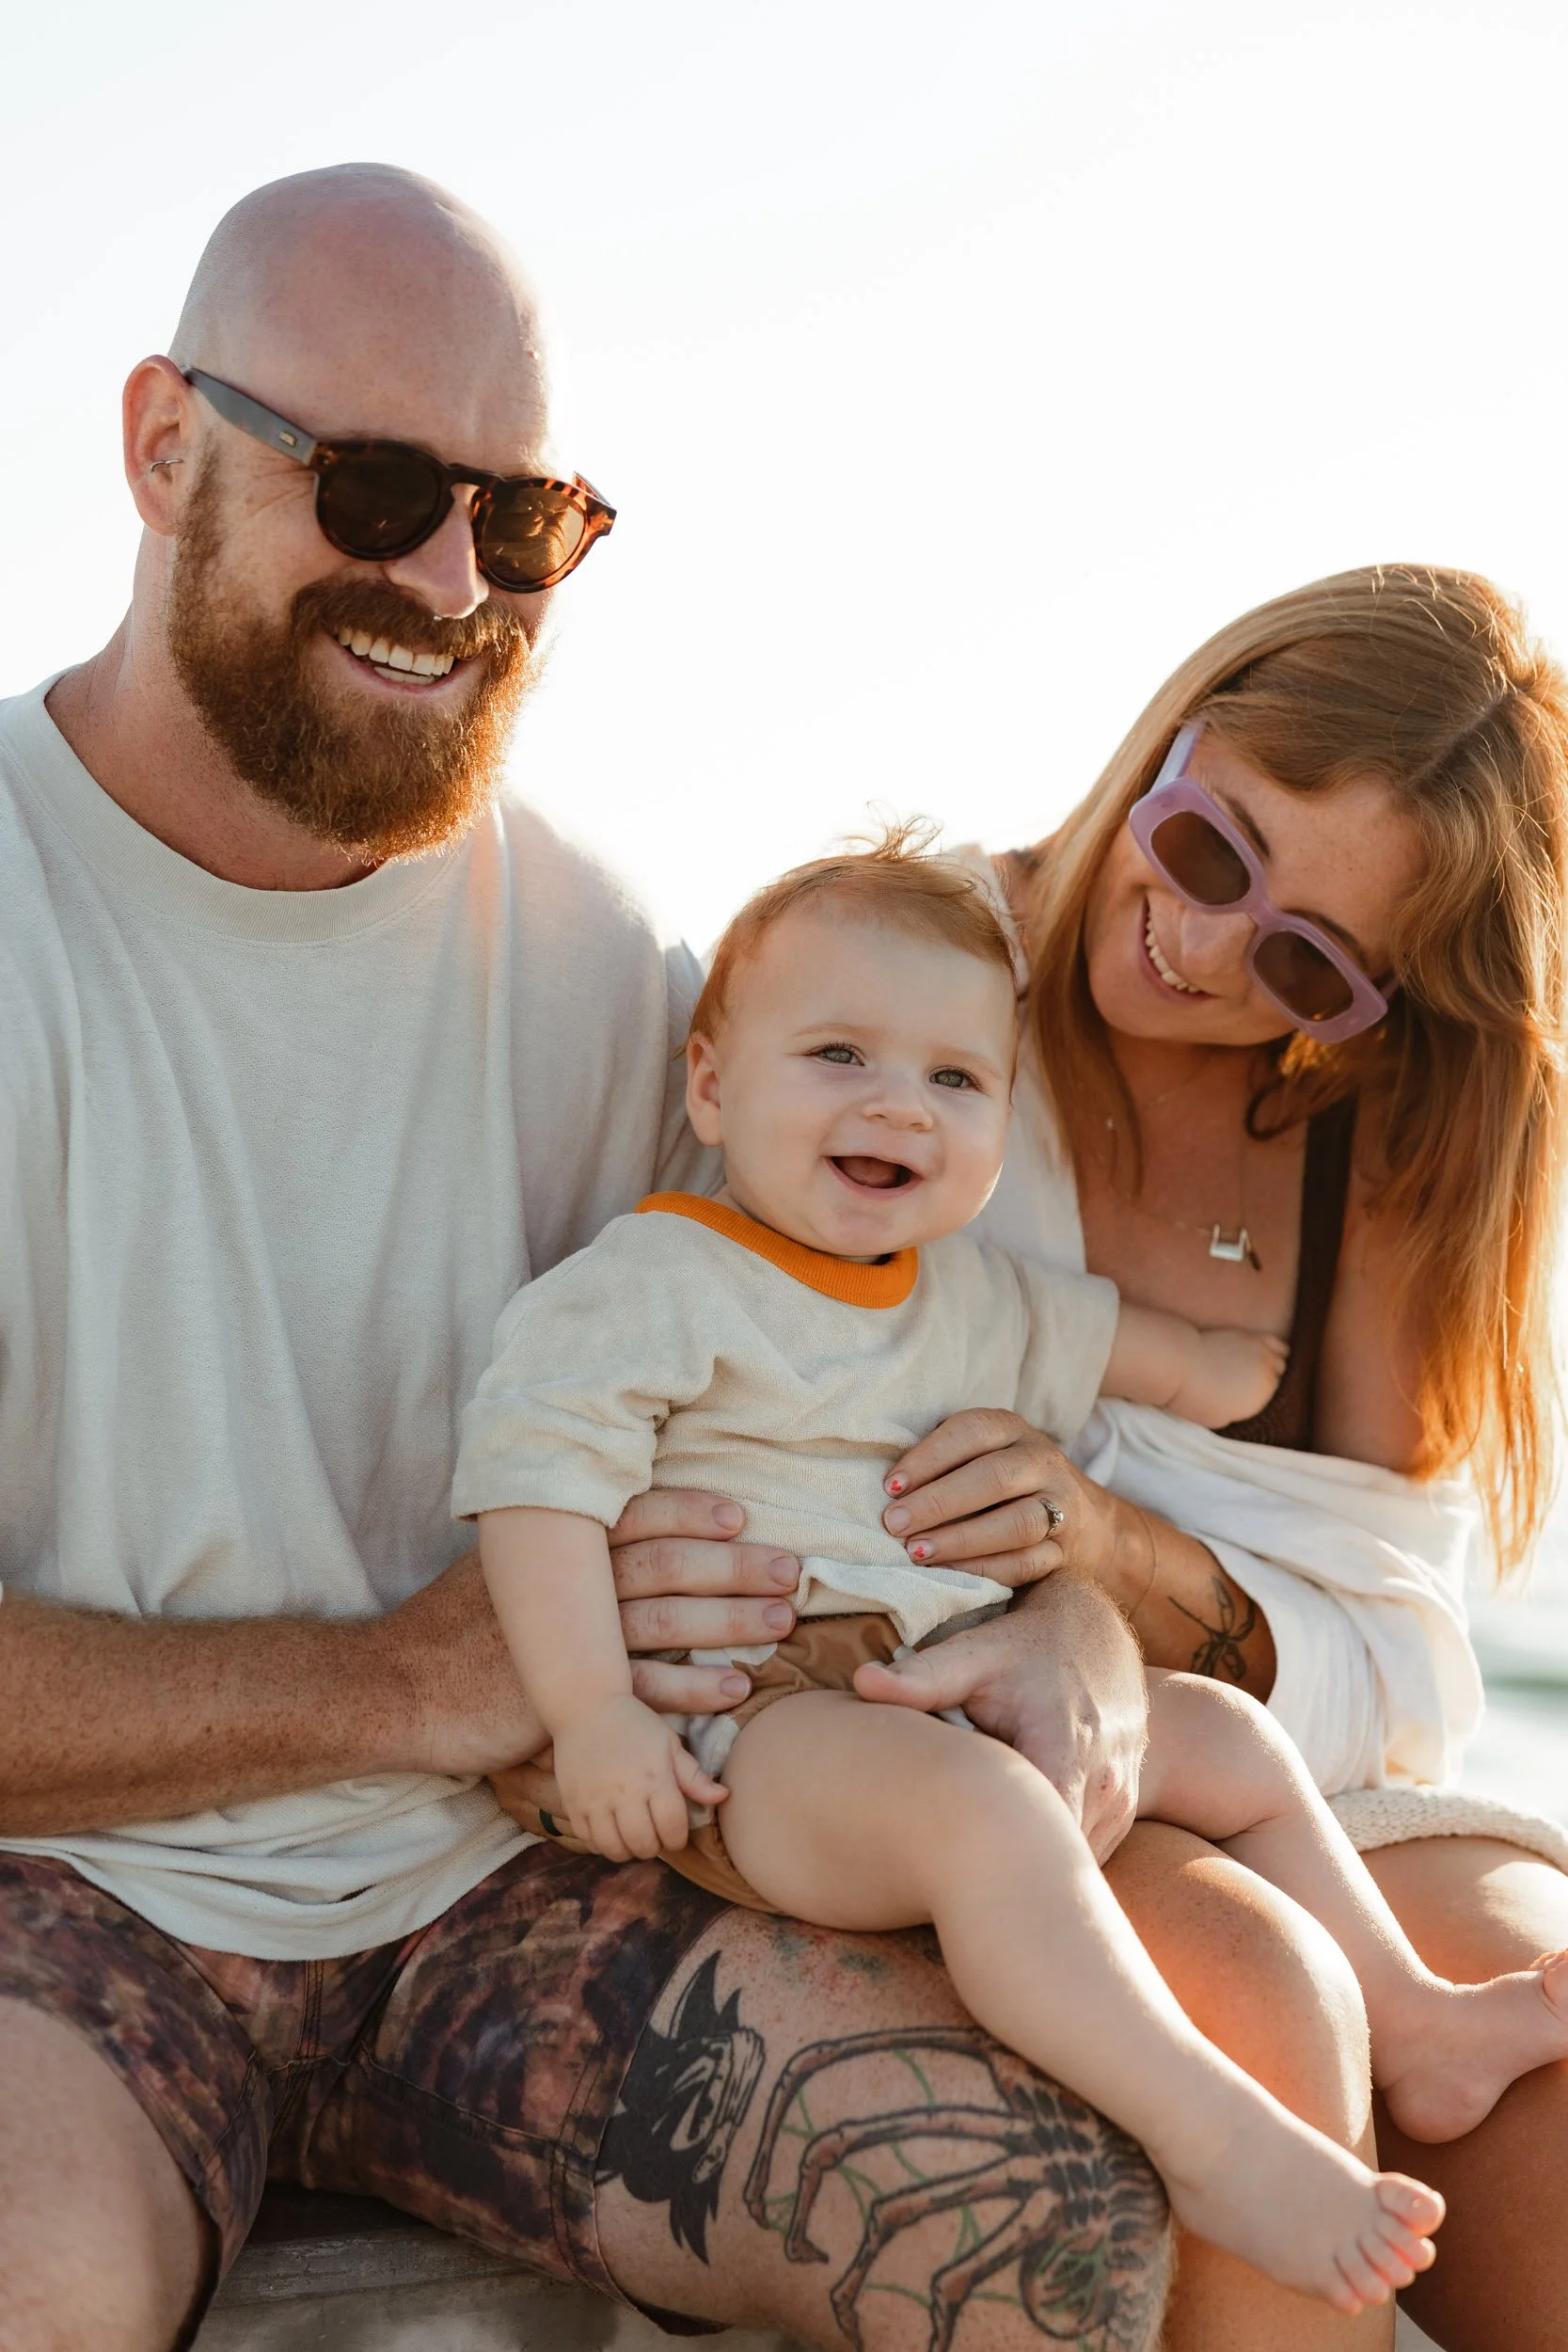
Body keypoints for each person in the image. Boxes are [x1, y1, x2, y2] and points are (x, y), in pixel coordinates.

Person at [5, 156, 1362, 2352]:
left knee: (1038, 2233)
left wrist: (1072, 1628)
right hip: (61, 1917)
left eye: (523, 521)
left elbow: (855, 1371)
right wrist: (402, 1680)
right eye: (372, 490)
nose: (449, 580)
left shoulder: (595, 957)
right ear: (164, 446)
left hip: (524, 1876)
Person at [847, 565, 1568, 2349]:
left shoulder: (1370, 1143)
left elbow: (1396, 1673)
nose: (1202, 943)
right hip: (926, 1760)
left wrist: (1109, 1558)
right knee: (1263, 2006)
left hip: (1282, 1779)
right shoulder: (887, 976)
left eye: (1306, 961)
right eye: (1207, 845)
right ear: (1177, 724)